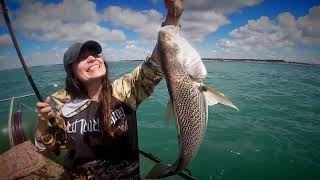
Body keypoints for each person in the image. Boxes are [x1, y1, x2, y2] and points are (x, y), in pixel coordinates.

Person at [34, 0, 184, 179]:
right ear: (71, 71)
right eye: (82, 57)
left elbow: (155, 63)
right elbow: (45, 148)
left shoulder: (124, 90)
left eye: (95, 54)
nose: (92, 59)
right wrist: (43, 123)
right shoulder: (60, 103)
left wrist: (173, 17)